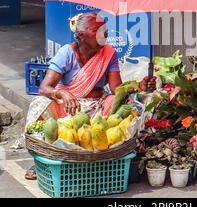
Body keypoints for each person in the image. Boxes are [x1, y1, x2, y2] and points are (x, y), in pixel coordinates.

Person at [25, 13, 156, 179]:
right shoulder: (66, 53)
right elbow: (44, 88)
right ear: (81, 35)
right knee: (39, 102)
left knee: (129, 106)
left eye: (105, 31)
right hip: (68, 108)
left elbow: (117, 90)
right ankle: (43, 159)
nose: (105, 35)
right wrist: (62, 93)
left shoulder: (109, 53)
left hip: (96, 108)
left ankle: (116, 157)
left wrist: (139, 86)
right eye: (98, 31)